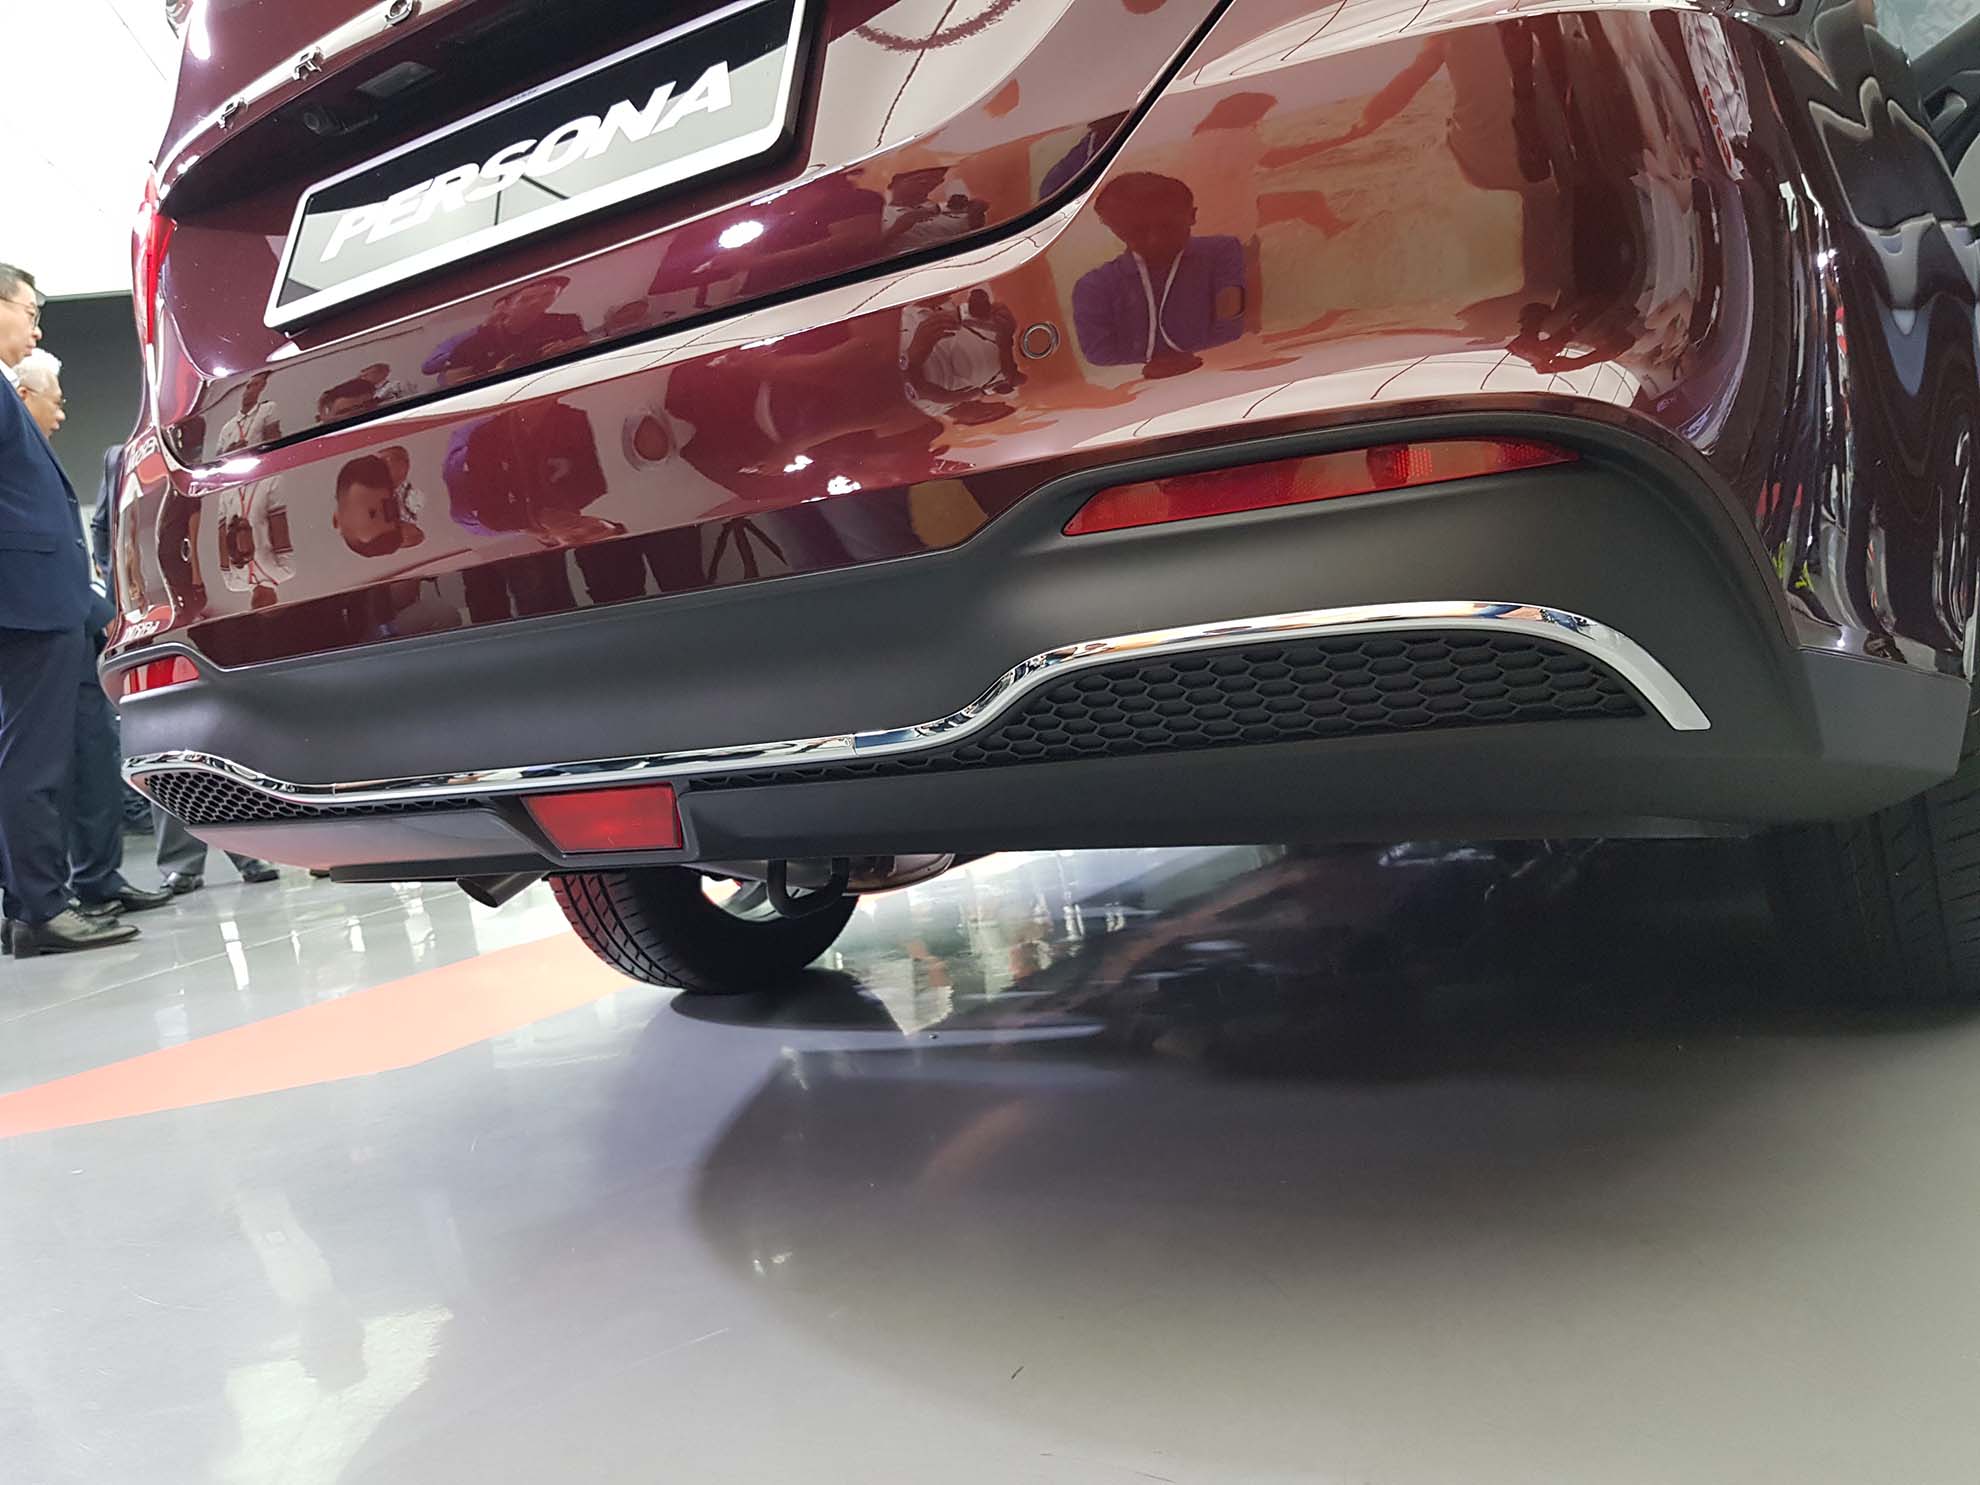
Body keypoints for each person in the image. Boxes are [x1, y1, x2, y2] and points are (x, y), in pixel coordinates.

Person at [0, 264, 139, 956]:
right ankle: (41, 907)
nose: (36, 327)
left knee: (27, 760)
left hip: (31, 597)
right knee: (34, 765)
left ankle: (26, 902)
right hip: (27, 601)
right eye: (29, 311)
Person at [14, 358, 174, 925]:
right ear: (25, 394)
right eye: (55, 402)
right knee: (37, 770)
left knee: (94, 758)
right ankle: (42, 901)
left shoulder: (31, 449)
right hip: (38, 617)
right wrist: (101, 610)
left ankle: (96, 879)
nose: (61, 414)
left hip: (67, 618)